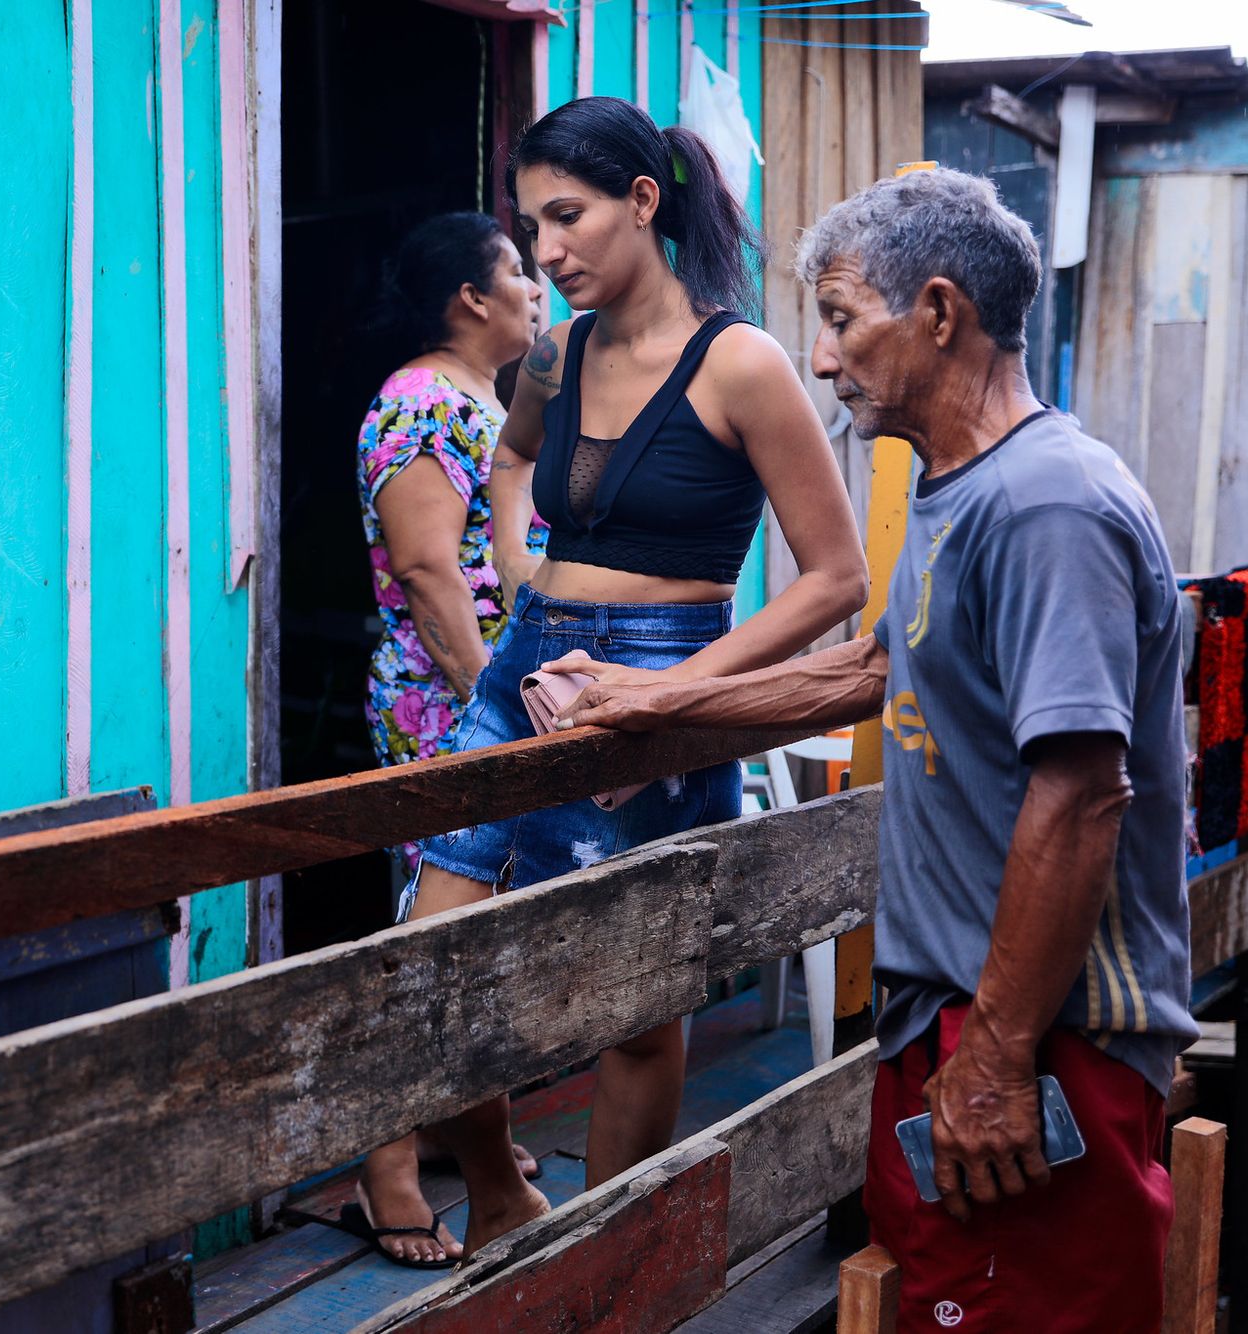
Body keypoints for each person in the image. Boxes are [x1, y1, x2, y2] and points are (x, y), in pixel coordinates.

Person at [551, 168, 1195, 1331]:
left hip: (1038, 1030)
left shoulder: (1045, 504)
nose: (823, 356)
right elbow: (870, 671)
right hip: (954, 1015)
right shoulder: (959, 488)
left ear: (938, 314)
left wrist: (995, 1055)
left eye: (843, 317)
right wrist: (654, 703)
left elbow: (1082, 790)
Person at [399, 95, 869, 1257]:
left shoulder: (741, 363)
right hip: (526, 666)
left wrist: (681, 689)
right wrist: (515, 570)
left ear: (643, 202)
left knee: (636, 997)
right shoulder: (556, 351)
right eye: (531, 227)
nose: (545, 252)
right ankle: (504, 1194)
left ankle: (601, 1265)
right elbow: (509, 458)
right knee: (429, 956)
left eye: (567, 218)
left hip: (671, 677)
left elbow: (833, 577)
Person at [352, 211, 548, 1266]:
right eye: (517, 269)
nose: (536, 284)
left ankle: (476, 1146)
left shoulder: (484, 400)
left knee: (477, 940)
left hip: (485, 703)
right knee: (430, 938)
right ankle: (382, 1168)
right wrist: (491, 707)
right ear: (468, 298)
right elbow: (430, 573)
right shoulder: (419, 401)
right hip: (445, 706)